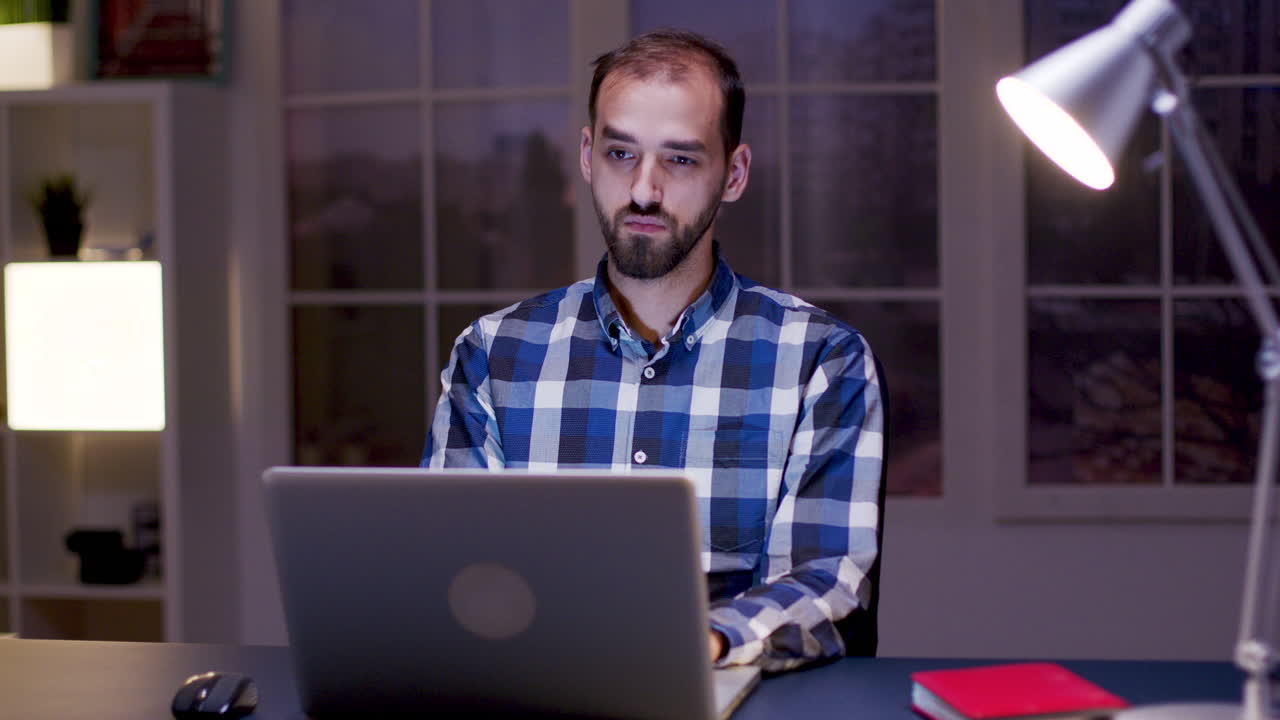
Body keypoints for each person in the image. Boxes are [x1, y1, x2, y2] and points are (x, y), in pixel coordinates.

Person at [423, 29, 883, 672]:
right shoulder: (493, 355)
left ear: (735, 173)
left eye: (681, 159)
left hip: (731, 689)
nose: (643, 190)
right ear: (587, 155)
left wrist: (704, 644)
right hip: (532, 691)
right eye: (620, 153)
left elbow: (828, 580)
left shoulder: (822, 361)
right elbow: (449, 573)